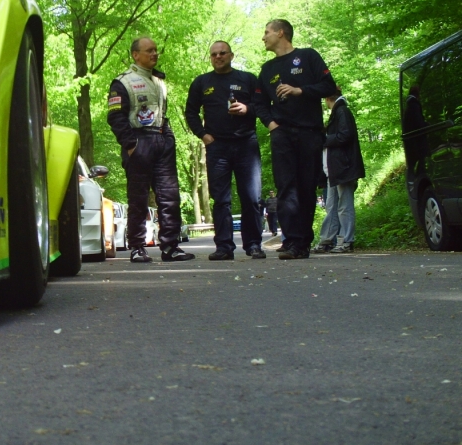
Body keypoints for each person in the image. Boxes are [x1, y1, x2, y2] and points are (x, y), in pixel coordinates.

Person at [107, 36, 195, 263]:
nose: (155, 54)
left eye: (156, 50)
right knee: (138, 199)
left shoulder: (159, 80)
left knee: (169, 197)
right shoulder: (122, 82)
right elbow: (115, 117)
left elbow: (162, 113)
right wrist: (130, 145)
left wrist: (169, 137)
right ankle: (137, 247)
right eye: (149, 50)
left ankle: (170, 246)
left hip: (162, 140)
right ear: (135, 55)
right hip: (139, 142)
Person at [255, 19, 337, 259]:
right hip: (282, 134)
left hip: (309, 132)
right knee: (285, 187)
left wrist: (300, 90)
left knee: (306, 187)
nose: (263, 37)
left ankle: (302, 243)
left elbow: (328, 86)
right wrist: (272, 125)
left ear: (281, 33)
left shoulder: (308, 56)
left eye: (267, 32)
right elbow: (259, 103)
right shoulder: (267, 69)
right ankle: (291, 242)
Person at [185, 41, 265, 260]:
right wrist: (203, 135)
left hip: (246, 144)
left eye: (222, 53)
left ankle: (253, 245)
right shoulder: (202, 82)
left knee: (252, 197)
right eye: (213, 54)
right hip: (217, 147)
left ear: (231, 55)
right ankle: (224, 247)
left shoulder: (247, 79)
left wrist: (247, 108)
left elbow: (262, 106)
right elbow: (191, 112)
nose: (218, 57)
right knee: (221, 199)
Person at [312, 88, 365, 253]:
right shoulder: (338, 112)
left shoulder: (342, 111)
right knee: (332, 206)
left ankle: (346, 240)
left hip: (343, 167)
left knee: (344, 206)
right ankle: (327, 240)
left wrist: (324, 140)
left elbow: (345, 135)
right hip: (334, 169)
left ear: (328, 98)